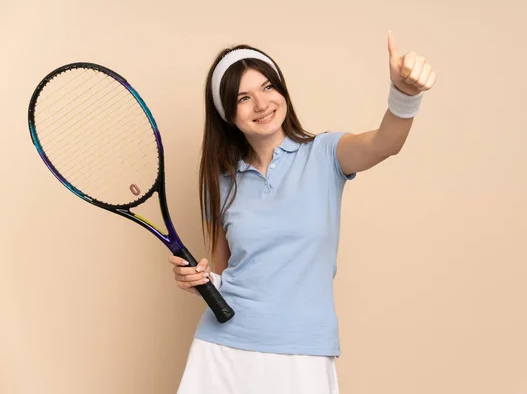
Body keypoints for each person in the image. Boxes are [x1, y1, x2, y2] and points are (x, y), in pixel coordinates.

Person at [169, 32, 436, 393]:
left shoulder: (325, 153)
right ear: (227, 114)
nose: (261, 104)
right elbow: (220, 272)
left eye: (267, 87)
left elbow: (384, 143)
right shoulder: (219, 182)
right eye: (243, 98)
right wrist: (199, 281)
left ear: (282, 90)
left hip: (302, 346)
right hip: (223, 349)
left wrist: (405, 94)